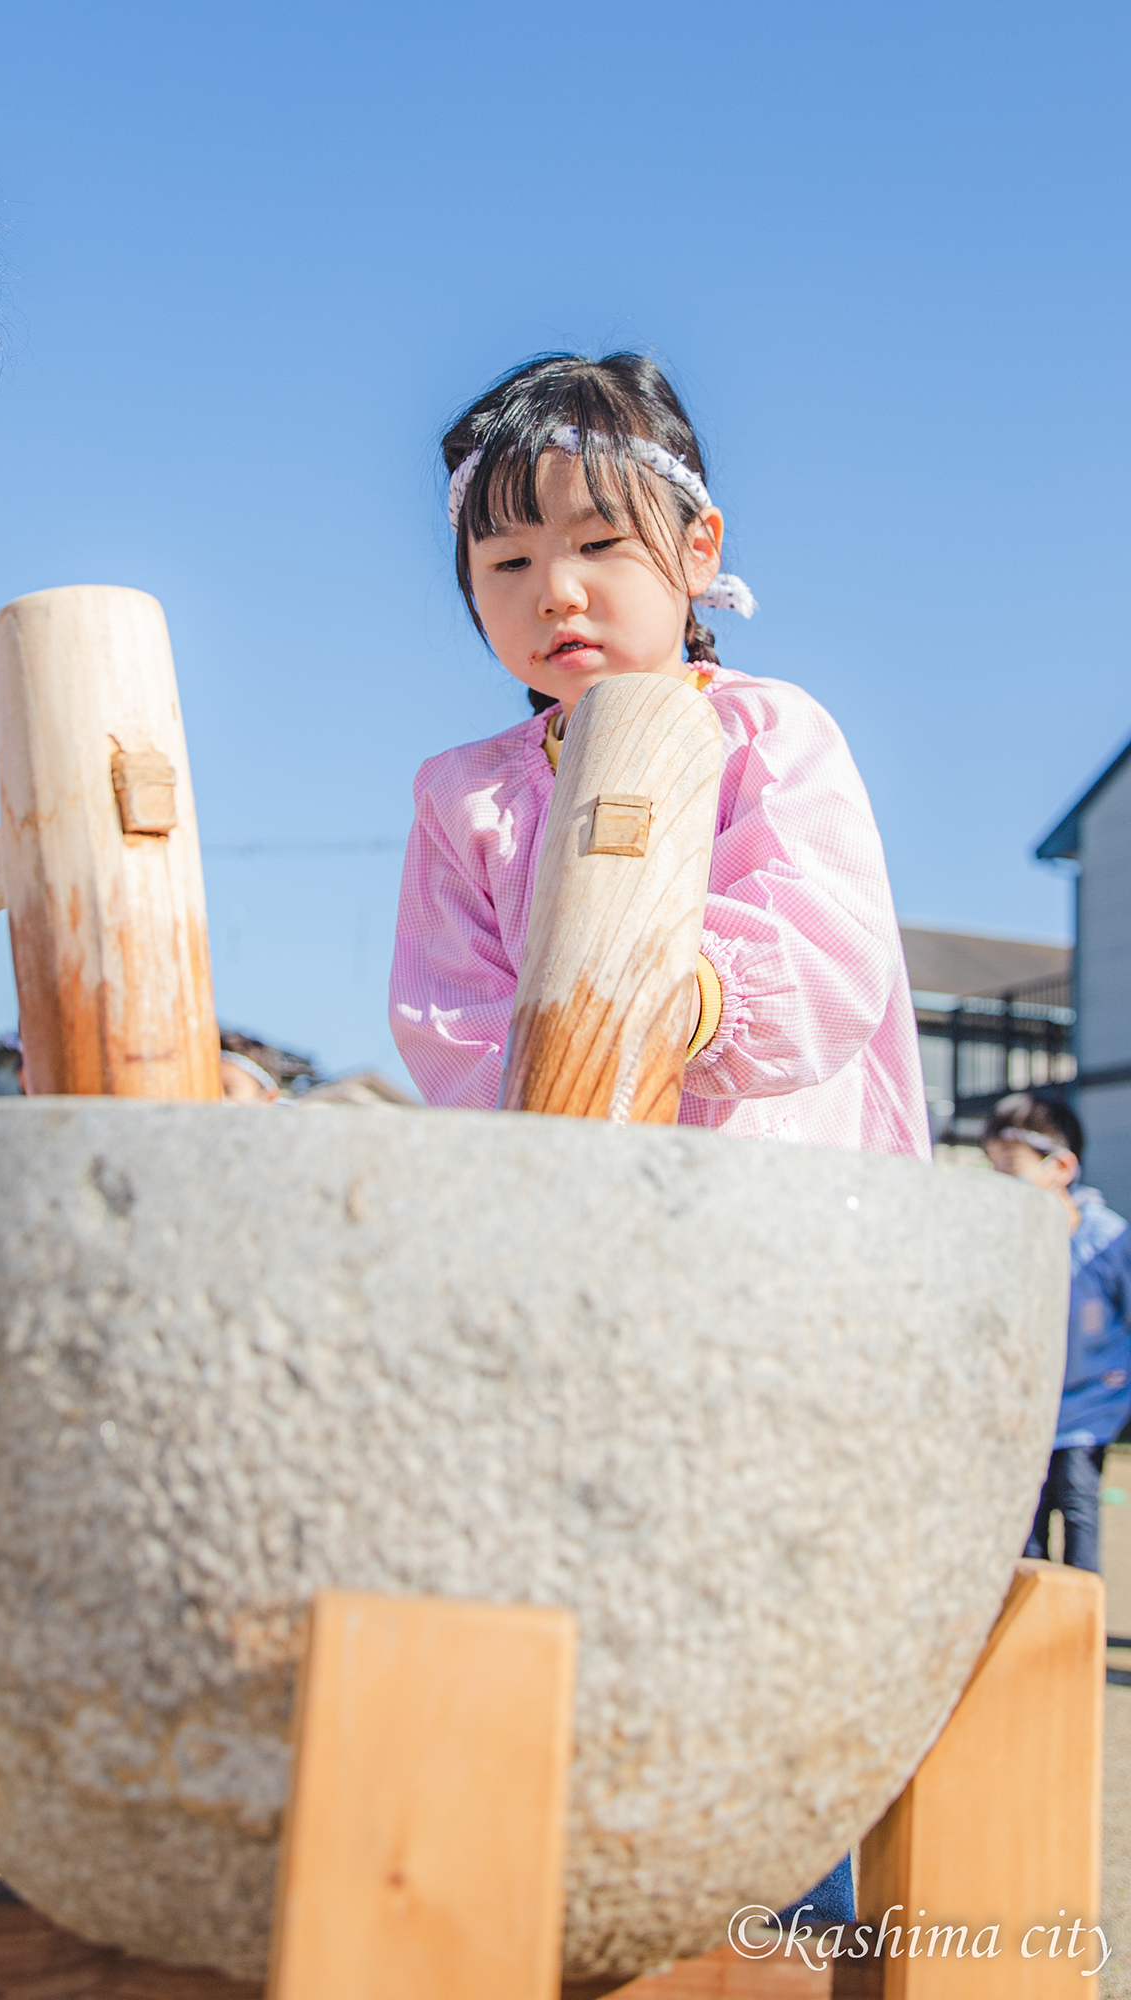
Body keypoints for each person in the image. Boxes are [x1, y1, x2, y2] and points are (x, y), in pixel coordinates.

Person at [389, 353, 931, 1924]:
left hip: (779, 1247)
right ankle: (565, 1902)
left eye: (599, 545)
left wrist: (656, 998)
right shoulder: (469, 797)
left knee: (773, 1598)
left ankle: (791, 1907)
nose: (555, 586)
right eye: (508, 560)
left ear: (696, 554)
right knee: (574, 1587)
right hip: (565, 1256)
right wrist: (562, 1062)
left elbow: (824, 966)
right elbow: (448, 1025)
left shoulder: (770, 737)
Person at [983, 1093, 1131, 1573]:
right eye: (994, 1171)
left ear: (1061, 1167)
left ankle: (1080, 1637)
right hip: (1026, 1414)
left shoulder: (1108, 1241)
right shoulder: (1002, 1245)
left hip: (1089, 1410)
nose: (1002, 1186)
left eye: (1013, 1171)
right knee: (1025, 1529)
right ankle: (1033, 1639)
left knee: (1078, 1509)